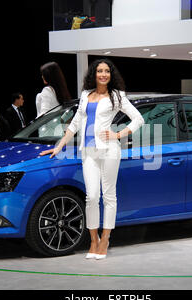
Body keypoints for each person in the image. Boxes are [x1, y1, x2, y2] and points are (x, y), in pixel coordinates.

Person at [39, 59, 144, 260]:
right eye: (99, 71)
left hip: (109, 151)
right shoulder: (86, 95)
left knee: (109, 196)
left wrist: (118, 134)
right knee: (92, 196)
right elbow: (76, 123)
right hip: (88, 152)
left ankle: (105, 239)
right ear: (94, 74)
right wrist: (59, 145)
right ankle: (93, 240)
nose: (103, 74)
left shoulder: (117, 96)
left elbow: (138, 119)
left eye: (106, 71)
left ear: (111, 75)